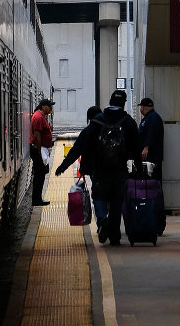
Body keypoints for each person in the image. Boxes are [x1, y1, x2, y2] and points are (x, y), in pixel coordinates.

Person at [56, 89, 140, 245]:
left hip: (100, 171)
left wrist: (63, 166)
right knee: (116, 201)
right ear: (123, 103)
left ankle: (102, 220)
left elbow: (79, 148)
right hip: (120, 171)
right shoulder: (128, 122)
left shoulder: (96, 122)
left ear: (110, 101)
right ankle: (114, 236)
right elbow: (136, 148)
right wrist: (139, 170)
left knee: (99, 196)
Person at [55, 105, 101, 181]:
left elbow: (75, 151)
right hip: (113, 168)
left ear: (89, 118)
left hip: (94, 168)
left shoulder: (87, 132)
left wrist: (63, 167)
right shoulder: (109, 129)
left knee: (98, 190)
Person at [29, 97, 54, 206]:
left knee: (42, 174)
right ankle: (36, 200)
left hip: (41, 149)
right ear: (43, 106)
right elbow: (37, 135)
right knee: (39, 175)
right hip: (38, 149)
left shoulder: (40, 116)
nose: (51, 109)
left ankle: (38, 199)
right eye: (49, 106)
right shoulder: (38, 117)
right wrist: (39, 152)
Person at [138, 96, 164, 182]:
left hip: (152, 156)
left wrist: (146, 148)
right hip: (150, 156)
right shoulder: (149, 117)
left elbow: (151, 133)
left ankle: (155, 195)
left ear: (143, 107)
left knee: (153, 179)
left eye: (141, 107)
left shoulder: (153, 118)